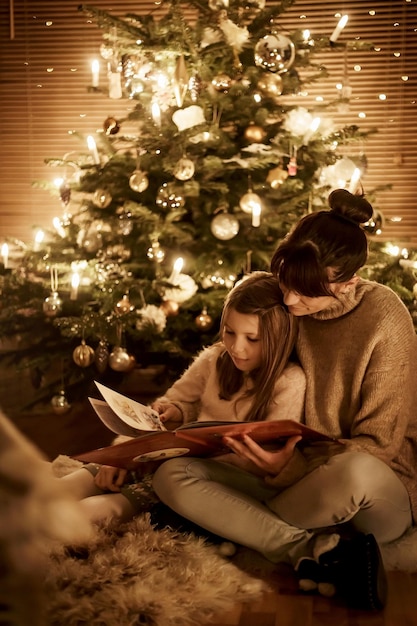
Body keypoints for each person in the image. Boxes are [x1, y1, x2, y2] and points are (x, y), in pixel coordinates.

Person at [152, 189, 417, 611]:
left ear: (348, 282)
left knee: (355, 472)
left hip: (373, 490)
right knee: (172, 475)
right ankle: (314, 553)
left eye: (306, 291)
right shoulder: (293, 305)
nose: (290, 300)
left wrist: (291, 467)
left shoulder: (385, 319)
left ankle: (237, 525)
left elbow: (380, 447)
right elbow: (240, 360)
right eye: (286, 282)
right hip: (293, 480)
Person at [61, 271, 306, 525]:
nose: (236, 347)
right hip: (166, 458)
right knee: (63, 488)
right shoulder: (215, 359)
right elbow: (169, 408)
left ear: (279, 339)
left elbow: (264, 462)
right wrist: (123, 455)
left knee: (85, 515)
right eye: (229, 332)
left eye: (252, 339)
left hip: (202, 480)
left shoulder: (289, 382)